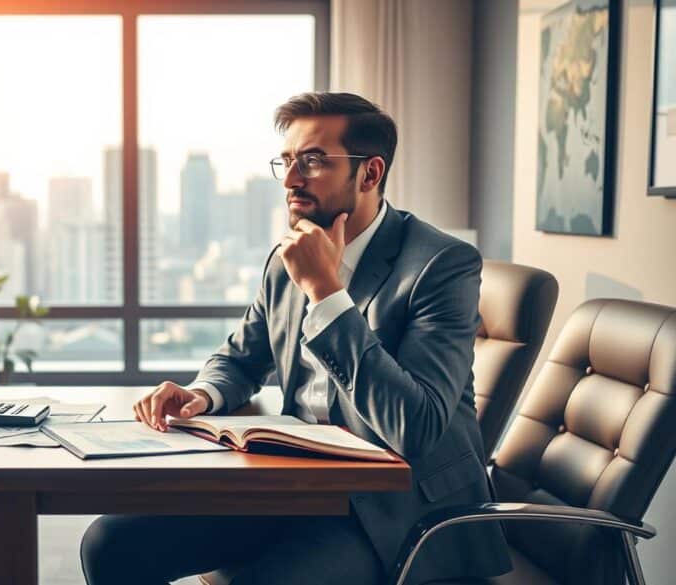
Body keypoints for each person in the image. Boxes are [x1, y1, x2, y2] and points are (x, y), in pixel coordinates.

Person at [81, 92, 512, 585]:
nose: (290, 180)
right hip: (296, 486)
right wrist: (202, 394)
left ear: (369, 174)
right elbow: (241, 357)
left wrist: (327, 294)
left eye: (312, 162)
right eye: (286, 162)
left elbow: (414, 427)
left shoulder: (441, 266)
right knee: (112, 544)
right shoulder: (286, 260)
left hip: (398, 513)